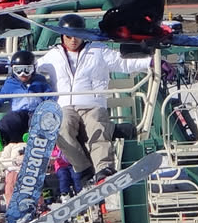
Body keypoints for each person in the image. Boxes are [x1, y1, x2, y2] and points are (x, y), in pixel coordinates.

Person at [33, 15, 154, 183]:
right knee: (61, 128)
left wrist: (150, 62)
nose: (73, 40)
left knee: (97, 127)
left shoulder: (98, 50)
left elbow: (123, 63)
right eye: (69, 36)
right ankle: (84, 169)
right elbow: (32, 68)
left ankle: (104, 169)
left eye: (77, 36)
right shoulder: (53, 55)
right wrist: (10, 68)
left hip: (92, 103)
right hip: (65, 105)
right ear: (62, 36)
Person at [0, 51, 51, 143]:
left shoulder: (39, 81)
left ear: (34, 69)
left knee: (38, 120)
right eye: (18, 70)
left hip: (36, 112)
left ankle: (33, 136)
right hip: (19, 113)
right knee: (10, 120)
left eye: (27, 70)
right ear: (13, 70)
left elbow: (49, 96)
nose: (23, 74)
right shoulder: (11, 84)